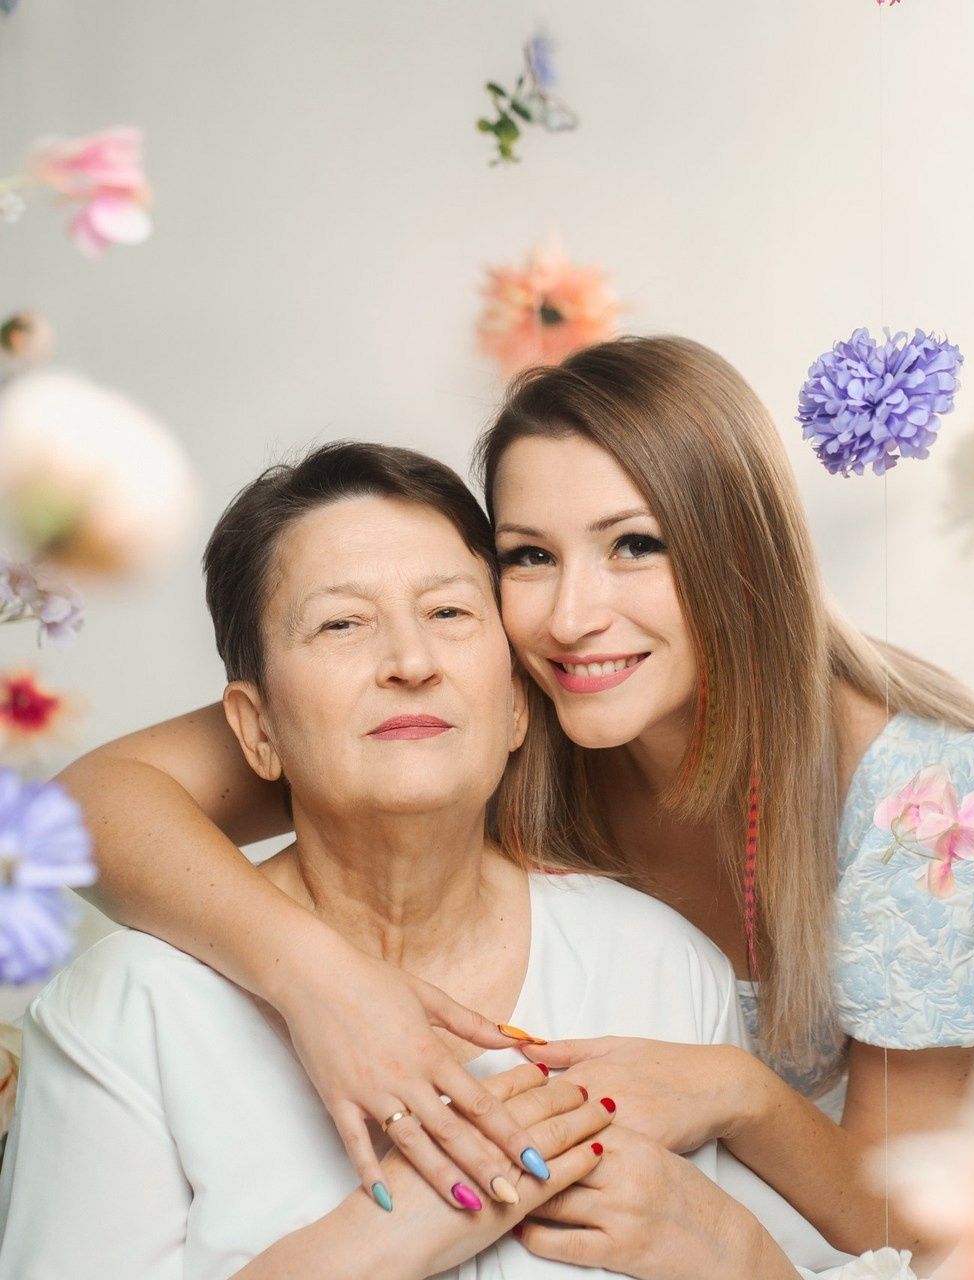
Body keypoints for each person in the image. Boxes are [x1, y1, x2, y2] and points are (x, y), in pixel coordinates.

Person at [58, 338, 974, 1255]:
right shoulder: (508, 703)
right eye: (528, 557)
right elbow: (88, 808)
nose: (570, 615)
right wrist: (323, 981)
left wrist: (732, 1093)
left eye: (633, 544)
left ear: (742, 557)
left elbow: (894, 1222)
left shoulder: (927, 805)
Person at [0, 443, 856, 1280]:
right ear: (256, 729)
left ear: (519, 706)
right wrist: (392, 1236)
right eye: (341, 623)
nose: (410, 663)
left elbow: (888, 1251)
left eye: (449, 613)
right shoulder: (126, 1015)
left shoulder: (668, 972)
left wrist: (739, 1257)